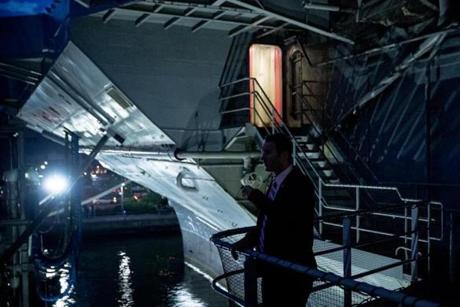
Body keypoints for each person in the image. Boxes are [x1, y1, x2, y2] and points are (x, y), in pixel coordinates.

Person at [233, 133, 317, 307]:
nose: (263, 157)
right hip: (274, 270)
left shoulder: (300, 184)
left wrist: (256, 197)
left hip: (291, 274)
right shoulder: (276, 181)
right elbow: (267, 222)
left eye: (268, 152)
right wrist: (247, 240)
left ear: (284, 155)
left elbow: (287, 220)